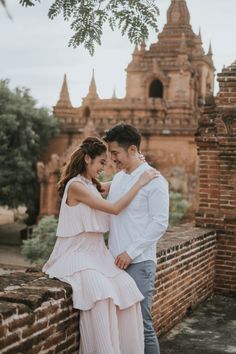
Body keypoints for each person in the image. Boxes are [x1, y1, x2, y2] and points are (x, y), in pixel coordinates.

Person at [42, 136, 159, 354]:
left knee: (127, 289)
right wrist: (141, 181)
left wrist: (136, 166)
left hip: (97, 254)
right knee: (101, 292)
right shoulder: (76, 185)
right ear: (87, 159)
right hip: (76, 253)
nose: (103, 168)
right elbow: (114, 207)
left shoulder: (91, 185)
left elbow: (119, 185)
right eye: (101, 163)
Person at [103, 124, 169, 354]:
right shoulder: (120, 178)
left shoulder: (155, 181)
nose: (112, 159)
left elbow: (160, 223)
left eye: (115, 153)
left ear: (131, 150)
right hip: (113, 262)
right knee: (120, 326)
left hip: (138, 263)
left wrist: (130, 252)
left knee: (142, 326)